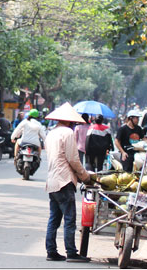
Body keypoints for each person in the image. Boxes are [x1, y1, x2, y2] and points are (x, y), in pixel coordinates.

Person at [43, 107, 92, 262]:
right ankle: (71, 252)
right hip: (64, 180)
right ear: (69, 120)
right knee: (69, 219)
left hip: (52, 180)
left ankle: (51, 251)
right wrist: (85, 177)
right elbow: (73, 158)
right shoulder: (68, 133)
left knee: (54, 218)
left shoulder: (51, 133)